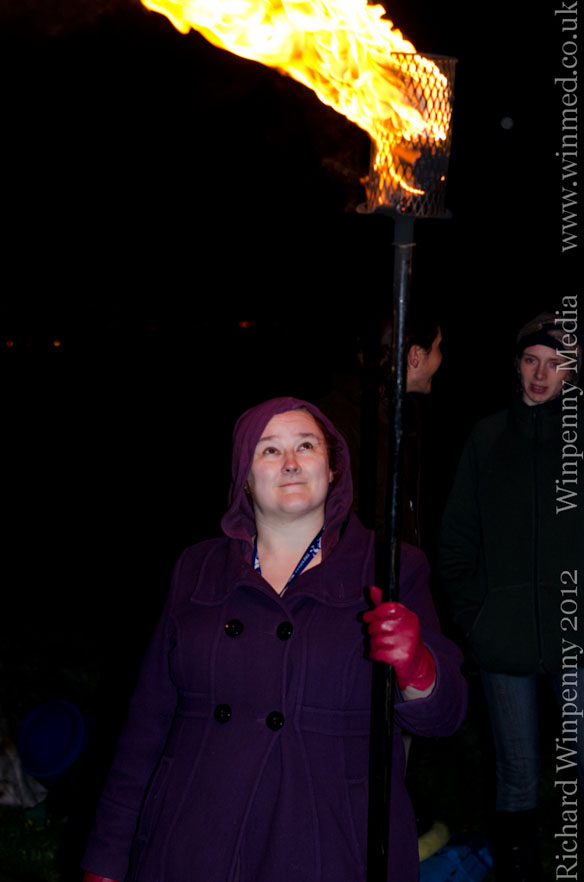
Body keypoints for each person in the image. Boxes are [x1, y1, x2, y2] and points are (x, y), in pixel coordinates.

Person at [82, 396, 466, 882]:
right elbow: (146, 723)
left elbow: (445, 715)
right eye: (268, 449)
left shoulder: (391, 567)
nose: (290, 462)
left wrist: (418, 667)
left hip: (332, 842)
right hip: (195, 834)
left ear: (333, 469)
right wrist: (106, 858)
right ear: (244, 476)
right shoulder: (198, 568)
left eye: (306, 446)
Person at [438, 313, 584, 880]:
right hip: (503, 639)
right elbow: (457, 537)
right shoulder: (487, 436)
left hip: (574, 637)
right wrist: (476, 617)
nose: (540, 375)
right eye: (530, 360)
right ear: (517, 364)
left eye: (555, 364)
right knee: (517, 774)